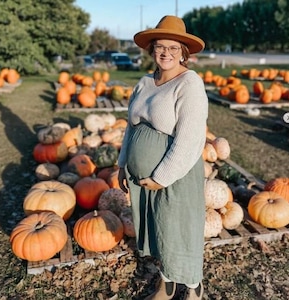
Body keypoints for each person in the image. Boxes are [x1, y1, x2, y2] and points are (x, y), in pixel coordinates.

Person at [118, 15, 208, 300]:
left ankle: (193, 286)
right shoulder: (145, 83)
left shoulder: (189, 84)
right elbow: (131, 128)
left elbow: (190, 138)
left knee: (181, 230)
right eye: (160, 46)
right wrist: (123, 164)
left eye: (173, 47)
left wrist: (161, 176)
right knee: (160, 230)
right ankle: (166, 283)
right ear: (151, 50)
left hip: (175, 173)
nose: (165, 52)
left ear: (184, 52)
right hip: (144, 177)